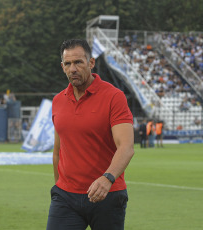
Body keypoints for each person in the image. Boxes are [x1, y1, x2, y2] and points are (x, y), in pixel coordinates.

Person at [46, 39, 135, 230]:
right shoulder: (57, 101)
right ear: (62, 67)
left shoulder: (114, 97)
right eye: (68, 64)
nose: (73, 69)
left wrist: (107, 178)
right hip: (66, 197)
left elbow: (126, 147)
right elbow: (57, 150)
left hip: (107, 194)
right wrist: (58, 188)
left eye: (78, 62)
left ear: (91, 63)